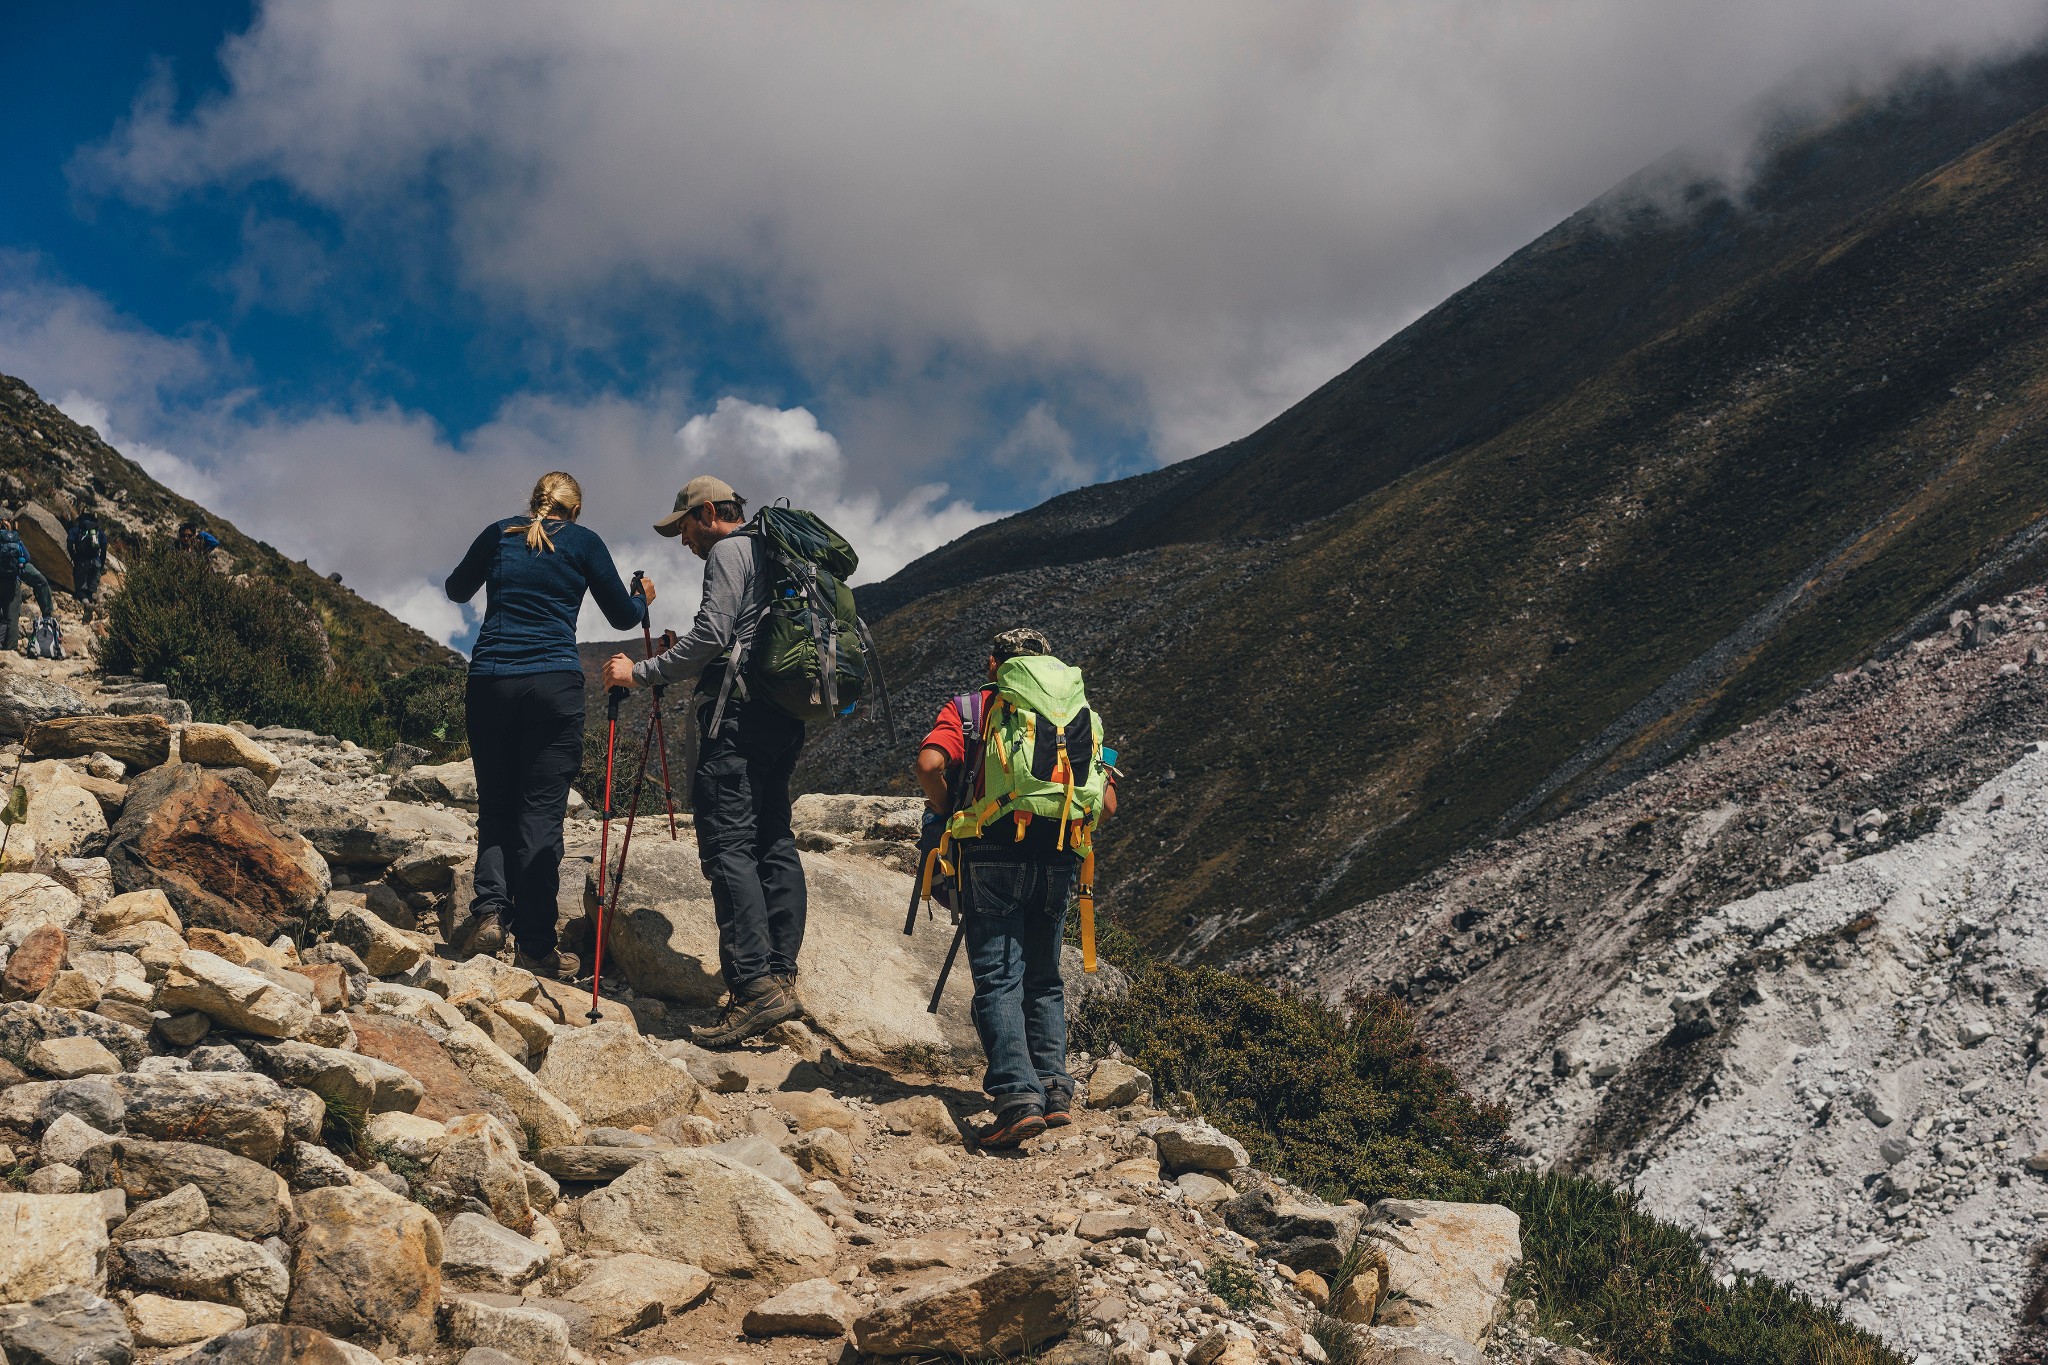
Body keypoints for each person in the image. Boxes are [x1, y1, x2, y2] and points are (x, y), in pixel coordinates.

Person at [601, 475, 805, 1048]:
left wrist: (638, 673)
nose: (683, 540)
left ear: (710, 512)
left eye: (685, 526)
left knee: (728, 848)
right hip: (784, 716)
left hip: (736, 720)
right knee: (774, 842)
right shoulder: (776, 550)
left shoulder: (729, 551)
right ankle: (781, 977)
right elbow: (734, 635)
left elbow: (714, 635)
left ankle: (752, 990)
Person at [914, 627, 1117, 1147]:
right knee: (1045, 979)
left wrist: (944, 810)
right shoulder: (1075, 713)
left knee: (999, 979)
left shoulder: (973, 709)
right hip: (1058, 855)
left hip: (993, 851)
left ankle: (1015, 1099)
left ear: (993, 664)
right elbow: (1108, 805)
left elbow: (930, 765)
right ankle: (1053, 1091)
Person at [446, 471, 650, 980]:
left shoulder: (500, 534)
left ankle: (490, 913)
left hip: (492, 680)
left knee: (496, 803)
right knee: (541, 813)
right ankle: (535, 945)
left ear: (534, 502)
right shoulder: (584, 542)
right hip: (554, 685)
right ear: (574, 510)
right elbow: (623, 617)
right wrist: (642, 595)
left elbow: (455, 589)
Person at [0, 509, 55, 653]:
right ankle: (10, 652)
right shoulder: (14, 539)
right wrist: (15, 535)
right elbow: (27, 557)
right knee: (12, 617)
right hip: (13, 581)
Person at [67, 510, 108, 618]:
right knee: (90, 590)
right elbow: (103, 550)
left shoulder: (76, 530)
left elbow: (69, 545)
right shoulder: (99, 532)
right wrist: (101, 564)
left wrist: (75, 558)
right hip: (96, 563)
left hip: (81, 562)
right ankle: (89, 612)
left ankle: (87, 605)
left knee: (80, 590)